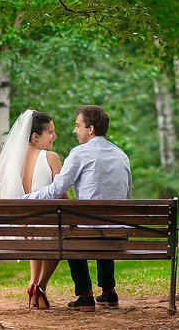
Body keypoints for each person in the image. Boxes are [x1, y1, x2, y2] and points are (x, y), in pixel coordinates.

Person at [23, 105, 131, 311]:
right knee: (106, 223)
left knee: (71, 234)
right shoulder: (121, 155)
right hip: (118, 232)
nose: (74, 130)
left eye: (77, 125)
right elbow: (127, 195)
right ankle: (109, 291)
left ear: (90, 129)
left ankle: (85, 294)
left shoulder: (79, 153)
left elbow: (56, 190)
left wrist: (25, 199)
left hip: (90, 232)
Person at [0, 109, 64, 309]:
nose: (54, 136)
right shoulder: (51, 158)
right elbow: (63, 197)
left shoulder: (13, 162)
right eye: (50, 132)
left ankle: (33, 284)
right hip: (46, 227)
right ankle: (40, 286)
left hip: (20, 228)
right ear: (34, 137)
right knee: (55, 240)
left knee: (35, 232)